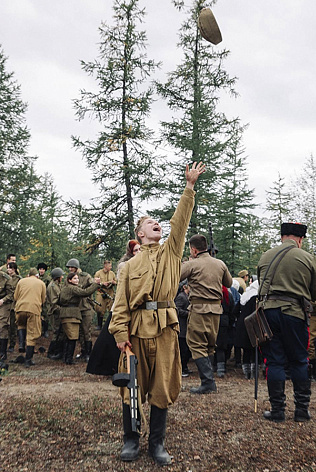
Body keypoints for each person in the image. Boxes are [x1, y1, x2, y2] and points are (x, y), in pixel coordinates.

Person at [109, 162, 204, 466]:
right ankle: (131, 441)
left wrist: (189, 188)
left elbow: (181, 221)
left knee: (162, 388)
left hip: (164, 329)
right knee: (131, 387)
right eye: (150, 223)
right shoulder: (128, 266)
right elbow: (120, 304)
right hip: (136, 331)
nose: (157, 224)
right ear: (140, 233)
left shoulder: (172, 252)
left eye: (157, 222)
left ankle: (157, 443)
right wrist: (120, 335)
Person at [256, 222, 316, 422]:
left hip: (268, 314)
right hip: (294, 314)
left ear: (282, 237)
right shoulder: (307, 258)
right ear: (300, 239)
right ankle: (302, 410)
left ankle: (277, 410)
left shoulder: (265, 256)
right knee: (299, 360)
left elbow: (262, 286)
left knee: (274, 361)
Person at [180, 233, 233, 394]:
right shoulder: (220, 264)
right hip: (216, 310)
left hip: (199, 309)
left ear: (194, 250)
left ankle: (207, 382)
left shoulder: (192, 264)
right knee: (210, 345)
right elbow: (229, 283)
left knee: (196, 344)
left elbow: (175, 276)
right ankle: (209, 381)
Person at [58, 272, 99, 364]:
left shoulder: (66, 288)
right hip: (71, 314)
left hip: (67, 313)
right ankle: (69, 359)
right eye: (74, 279)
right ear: (69, 280)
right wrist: (96, 284)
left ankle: (66, 357)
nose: (77, 280)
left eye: (77, 278)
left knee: (68, 337)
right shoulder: (72, 288)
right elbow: (85, 292)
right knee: (73, 337)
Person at [14, 267, 47, 366]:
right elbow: (43, 300)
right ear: (37, 276)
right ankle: (28, 360)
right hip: (33, 309)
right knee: (32, 334)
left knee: (21, 325)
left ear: (28, 274)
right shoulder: (41, 283)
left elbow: (15, 296)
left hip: (20, 308)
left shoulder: (21, 281)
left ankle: (21, 344)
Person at [174, 282, 192, 377]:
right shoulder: (181, 297)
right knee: (182, 349)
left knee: (185, 349)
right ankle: (181, 369)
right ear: (185, 287)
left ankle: (184, 367)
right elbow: (177, 309)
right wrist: (188, 313)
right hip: (182, 327)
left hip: (185, 327)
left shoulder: (186, 296)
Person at [94, 260, 117, 329]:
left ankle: (109, 325)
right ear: (105, 266)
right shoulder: (98, 273)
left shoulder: (112, 273)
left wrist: (113, 282)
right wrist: (102, 283)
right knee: (99, 309)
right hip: (101, 292)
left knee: (111, 308)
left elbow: (116, 281)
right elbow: (95, 282)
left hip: (110, 292)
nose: (111, 267)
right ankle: (99, 325)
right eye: (109, 266)